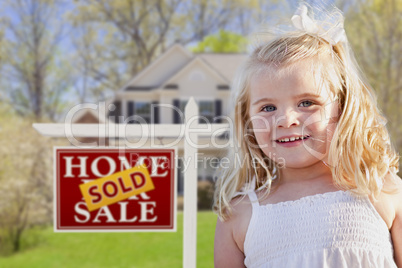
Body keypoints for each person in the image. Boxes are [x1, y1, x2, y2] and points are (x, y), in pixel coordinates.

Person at [213, 3, 402, 268]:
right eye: (268, 108)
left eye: (307, 103)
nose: (287, 120)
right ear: (248, 121)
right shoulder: (239, 215)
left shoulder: (381, 190)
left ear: (343, 107)